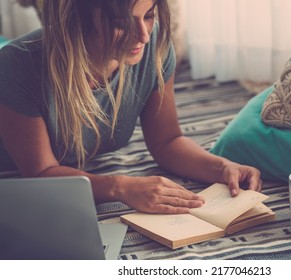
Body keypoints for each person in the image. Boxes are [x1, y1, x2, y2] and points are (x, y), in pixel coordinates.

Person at [0, 0, 262, 214]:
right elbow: (40, 172)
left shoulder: (154, 46)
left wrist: (222, 168)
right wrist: (119, 186)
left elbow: (167, 141)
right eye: (122, 23)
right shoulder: (17, 64)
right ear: (78, 19)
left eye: (148, 15)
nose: (144, 35)